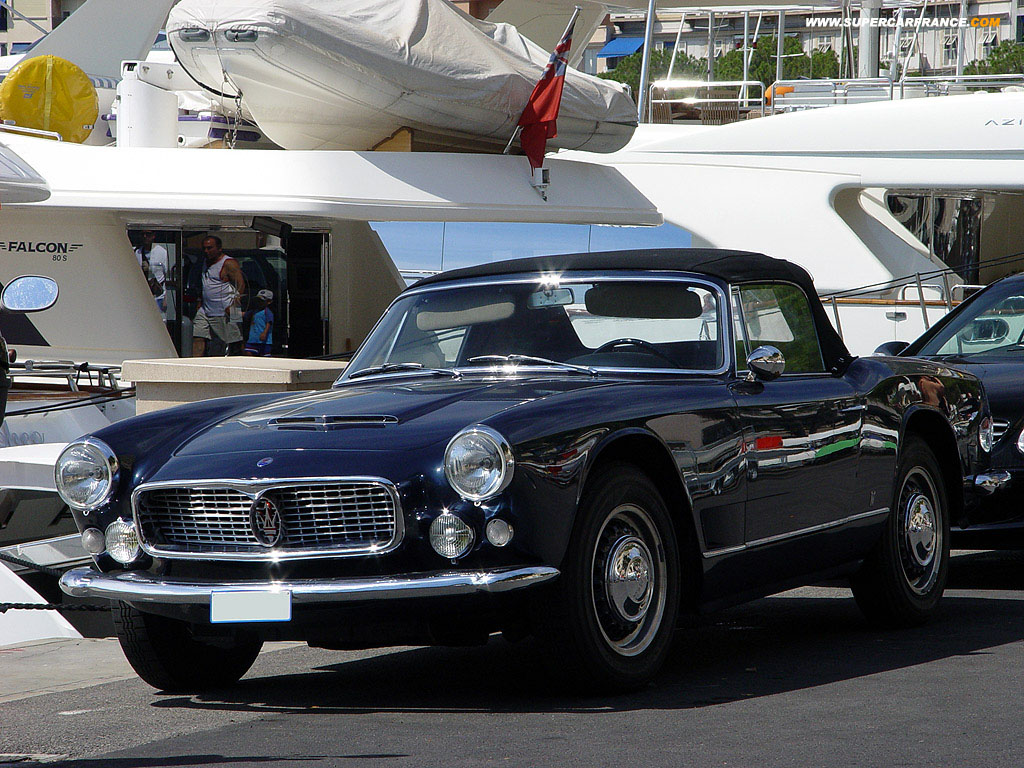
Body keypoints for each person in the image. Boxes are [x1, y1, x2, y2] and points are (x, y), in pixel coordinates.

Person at [192, 235, 246, 356]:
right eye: (204, 248)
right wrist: (200, 301)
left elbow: (241, 285)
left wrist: (234, 306)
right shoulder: (205, 262)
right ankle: (197, 364)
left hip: (227, 307)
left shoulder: (228, 263)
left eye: (210, 248)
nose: (206, 251)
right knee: (198, 335)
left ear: (219, 248)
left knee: (234, 341)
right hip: (206, 309)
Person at [135, 231, 169, 315]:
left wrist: (165, 298)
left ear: (153, 236)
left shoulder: (161, 252)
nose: (145, 236)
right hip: (142, 294)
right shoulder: (137, 252)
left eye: (148, 234)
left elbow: (165, 275)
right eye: (143, 234)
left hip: (158, 295)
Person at [244, 289, 275, 356]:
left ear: (269, 302)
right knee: (248, 352)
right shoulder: (254, 311)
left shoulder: (267, 312)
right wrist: (232, 313)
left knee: (264, 356)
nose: (259, 303)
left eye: (261, 301)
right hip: (253, 339)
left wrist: (264, 333)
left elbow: (269, 322)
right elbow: (245, 314)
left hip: (264, 341)